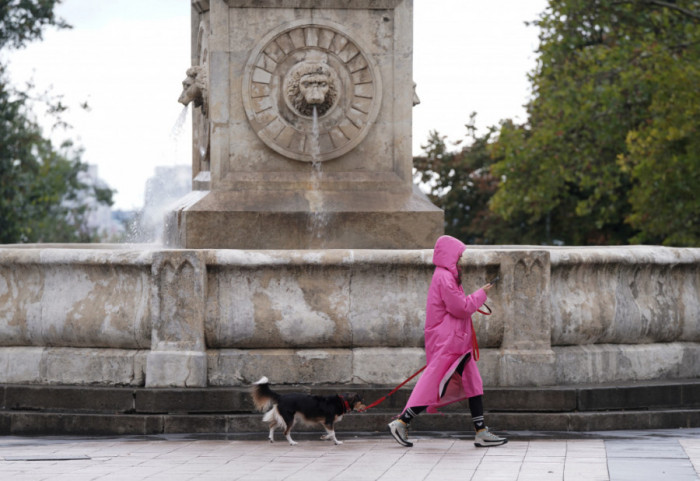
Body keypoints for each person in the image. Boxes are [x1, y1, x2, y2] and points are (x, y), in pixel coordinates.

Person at [388, 235, 507, 448]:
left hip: (456, 341)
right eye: (459, 256)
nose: (461, 261)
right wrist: (481, 294)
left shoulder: (445, 276)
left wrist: (476, 296)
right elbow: (460, 308)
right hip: (450, 342)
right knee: (436, 384)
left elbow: (457, 305)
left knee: (472, 384)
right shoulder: (444, 277)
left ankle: (481, 432)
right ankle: (401, 421)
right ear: (450, 256)